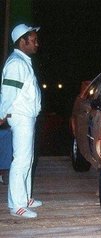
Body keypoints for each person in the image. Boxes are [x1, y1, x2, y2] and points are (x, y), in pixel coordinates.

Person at [0, 24, 42, 218]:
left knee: (28, 158)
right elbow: (8, 93)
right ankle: (16, 205)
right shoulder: (16, 63)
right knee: (21, 160)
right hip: (21, 117)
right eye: (33, 40)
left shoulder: (23, 61)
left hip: (28, 117)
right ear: (22, 41)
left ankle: (24, 198)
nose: (36, 43)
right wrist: (1, 114)